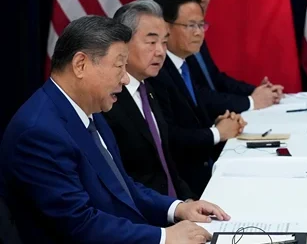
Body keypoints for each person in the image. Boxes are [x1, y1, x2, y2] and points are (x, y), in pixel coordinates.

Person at [0, 16, 230, 244]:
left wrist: (177, 208)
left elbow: (121, 186)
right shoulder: (39, 133)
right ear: (80, 65)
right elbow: (79, 224)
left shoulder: (92, 112)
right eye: (120, 66)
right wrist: (164, 237)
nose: (125, 79)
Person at [152, 0, 246, 196]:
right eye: (190, 25)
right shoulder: (156, 72)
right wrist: (217, 133)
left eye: (201, 25)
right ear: (166, 28)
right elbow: (167, 136)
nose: (198, 32)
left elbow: (192, 116)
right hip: (183, 188)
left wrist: (219, 123)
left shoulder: (185, 62)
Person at [104, 0, 196, 200]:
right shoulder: (107, 101)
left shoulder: (149, 89)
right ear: (122, 44)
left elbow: (166, 164)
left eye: (164, 42)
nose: (161, 52)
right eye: (152, 42)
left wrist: (188, 200)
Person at [159, 0, 282, 108]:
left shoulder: (196, 27)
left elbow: (214, 79)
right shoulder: (161, 39)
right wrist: (251, 102)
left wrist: (257, 91)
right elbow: (193, 94)